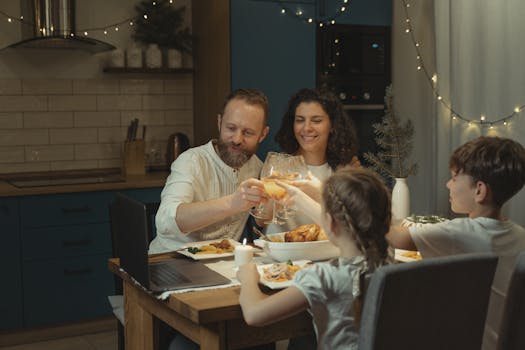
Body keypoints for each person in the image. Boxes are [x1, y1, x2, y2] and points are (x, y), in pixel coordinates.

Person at [387, 136, 525, 350]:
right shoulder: (520, 235)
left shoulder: (461, 233)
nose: (448, 184)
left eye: (454, 177)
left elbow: (392, 237)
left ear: (479, 190)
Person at [238, 167, 393, 350]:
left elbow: (254, 314)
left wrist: (248, 277)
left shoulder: (323, 276)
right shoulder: (388, 259)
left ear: (329, 222)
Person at [149, 88, 270, 254]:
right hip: (170, 261)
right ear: (219, 123)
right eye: (231, 128)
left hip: (223, 265)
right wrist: (231, 203)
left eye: (248, 132)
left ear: (262, 135)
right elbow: (166, 222)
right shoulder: (191, 161)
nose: (237, 139)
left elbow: (263, 219)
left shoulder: (258, 168)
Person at [262, 88, 360, 234]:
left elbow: (357, 223)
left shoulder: (346, 170)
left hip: (325, 253)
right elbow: (261, 219)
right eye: (300, 120)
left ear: (332, 125)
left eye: (316, 120)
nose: (307, 128)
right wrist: (276, 198)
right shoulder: (279, 166)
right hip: (282, 253)